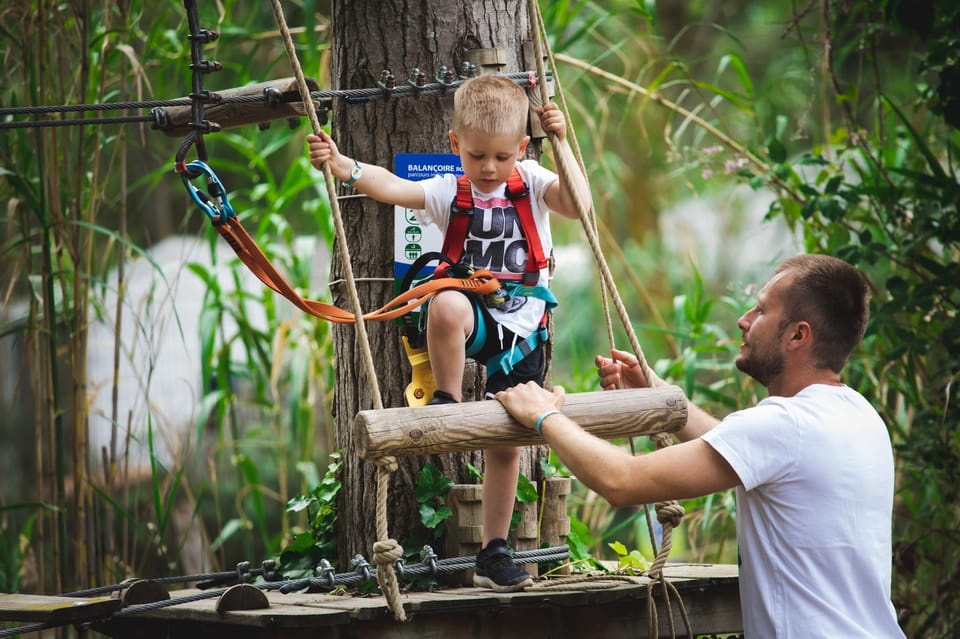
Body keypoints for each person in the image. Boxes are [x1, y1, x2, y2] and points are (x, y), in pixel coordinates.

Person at [496, 254, 906, 637]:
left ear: (798, 335)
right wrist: (657, 392)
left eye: (762, 310)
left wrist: (544, 415)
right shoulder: (858, 414)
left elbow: (621, 481)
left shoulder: (784, 425)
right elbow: (743, 450)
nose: (745, 320)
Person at [306, 74, 590, 592]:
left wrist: (564, 144)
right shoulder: (448, 190)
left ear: (521, 150)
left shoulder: (534, 182)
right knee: (446, 303)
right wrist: (343, 165)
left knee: (506, 443)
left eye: (501, 157)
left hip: (523, 329)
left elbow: (580, 205)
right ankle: (448, 397)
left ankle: (495, 550)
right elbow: (393, 188)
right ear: (456, 145)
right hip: (472, 315)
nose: (488, 168)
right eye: (477, 155)